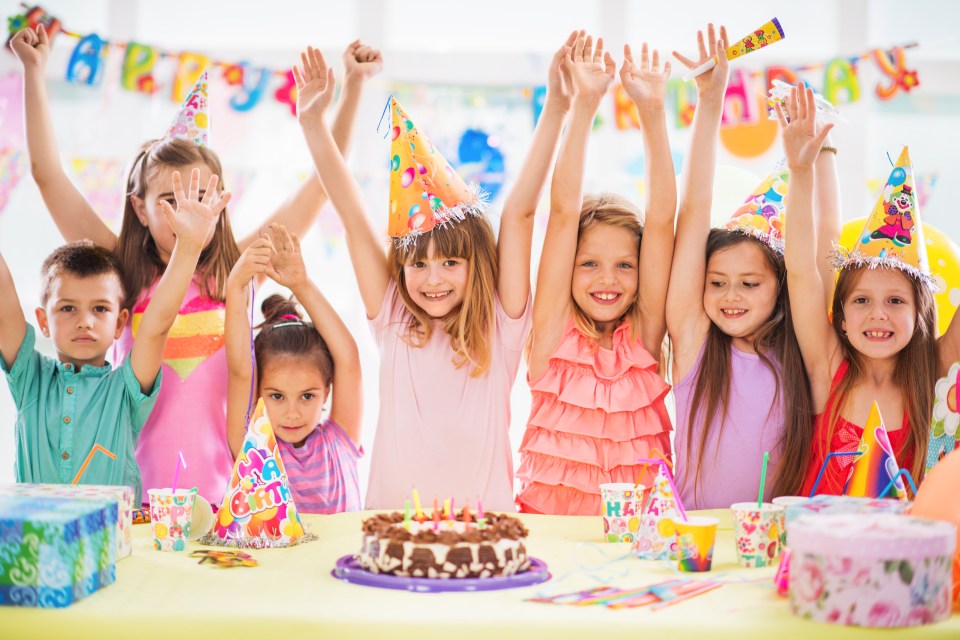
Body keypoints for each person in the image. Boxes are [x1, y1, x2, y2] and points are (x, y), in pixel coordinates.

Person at [10, 24, 381, 503]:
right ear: (139, 208)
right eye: (170, 199)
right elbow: (48, 176)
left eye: (202, 197)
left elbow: (320, 187)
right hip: (138, 495)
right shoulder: (121, 274)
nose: (188, 212)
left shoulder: (236, 273)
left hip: (227, 498)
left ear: (221, 202)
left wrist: (351, 90)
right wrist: (35, 72)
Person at [293, 33, 578, 509]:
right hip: (391, 536)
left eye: (450, 262)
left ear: (476, 264)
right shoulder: (391, 318)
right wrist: (311, 124)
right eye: (418, 263)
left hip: (485, 534)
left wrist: (557, 108)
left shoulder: (500, 326)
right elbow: (349, 209)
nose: (433, 278)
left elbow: (520, 214)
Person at [516, 33, 675, 515]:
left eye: (625, 265)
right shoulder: (552, 331)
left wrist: (652, 115)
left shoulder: (644, 340)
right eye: (589, 264)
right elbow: (563, 212)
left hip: (638, 543)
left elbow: (664, 220)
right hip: (550, 536)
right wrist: (584, 104)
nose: (608, 279)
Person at [0, 169, 228, 499]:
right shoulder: (29, 378)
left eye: (100, 309)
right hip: (36, 545)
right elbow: (4, 297)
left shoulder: (125, 390)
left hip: (113, 547)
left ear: (120, 323)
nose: (85, 322)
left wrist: (189, 247)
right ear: (43, 321)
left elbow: (156, 327)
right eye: (67, 308)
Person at [779, 84, 960, 495]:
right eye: (861, 300)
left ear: (920, 314)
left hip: (898, 556)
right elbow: (802, 270)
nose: (878, 314)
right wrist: (801, 172)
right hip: (818, 550)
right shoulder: (828, 369)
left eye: (895, 301)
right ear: (840, 318)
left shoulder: (934, 374)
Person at [667, 25, 813, 509]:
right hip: (695, 543)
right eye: (718, 282)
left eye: (750, 283)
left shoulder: (801, 360)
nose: (730, 295)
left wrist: (806, 168)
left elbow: (813, 258)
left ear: (779, 287)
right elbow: (691, 213)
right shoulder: (695, 344)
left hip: (770, 549)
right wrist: (710, 104)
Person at [225, 224, 363, 513]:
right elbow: (240, 370)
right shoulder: (256, 452)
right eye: (276, 396)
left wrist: (301, 285)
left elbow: (348, 358)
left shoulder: (340, 440)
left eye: (307, 396)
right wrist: (235, 287)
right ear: (257, 394)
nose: (292, 413)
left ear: (327, 391)